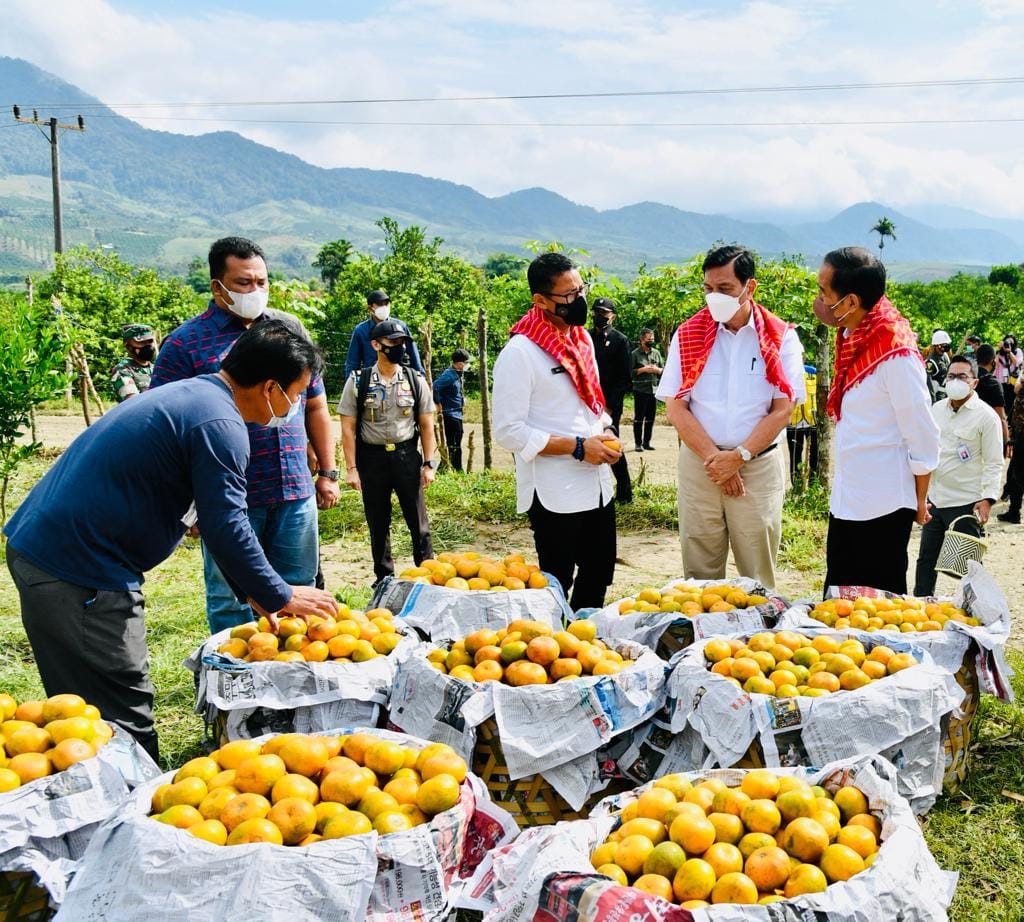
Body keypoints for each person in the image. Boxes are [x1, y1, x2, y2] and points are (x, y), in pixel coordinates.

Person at [4, 322, 339, 762]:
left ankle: (104, 788)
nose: (295, 406)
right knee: (119, 701)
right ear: (271, 387)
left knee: (80, 706)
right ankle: (133, 800)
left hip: (50, 551)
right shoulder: (220, 422)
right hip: (78, 569)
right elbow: (226, 522)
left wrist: (254, 593)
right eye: (295, 394)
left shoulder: (196, 397)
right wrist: (278, 592)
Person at [151, 236, 339, 634]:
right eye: (243, 283)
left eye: (262, 281)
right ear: (217, 286)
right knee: (230, 597)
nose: (255, 291)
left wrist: (327, 471)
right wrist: (187, 503)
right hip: (229, 497)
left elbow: (317, 405)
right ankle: (234, 680)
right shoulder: (185, 344)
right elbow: (165, 431)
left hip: (293, 487)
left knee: (298, 591)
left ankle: (295, 681)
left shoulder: (288, 329)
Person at [657, 245, 804, 588]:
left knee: (756, 571)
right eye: (708, 289)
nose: (714, 297)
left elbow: (783, 409)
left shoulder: (781, 338)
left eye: (724, 289)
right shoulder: (689, 334)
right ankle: (706, 639)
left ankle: (758, 637)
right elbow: (677, 406)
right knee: (699, 569)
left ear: (749, 288)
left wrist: (739, 457)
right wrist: (717, 461)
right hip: (700, 463)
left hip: (757, 465)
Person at [492, 252, 621, 609]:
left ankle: (585, 643)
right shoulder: (520, 353)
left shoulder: (582, 341)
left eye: (581, 290)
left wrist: (605, 432)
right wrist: (578, 447)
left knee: (599, 570)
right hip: (554, 489)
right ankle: (555, 647)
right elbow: (508, 431)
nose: (579, 300)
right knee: (556, 580)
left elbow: (591, 406)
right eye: (568, 295)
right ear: (540, 300)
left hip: (596, 482)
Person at [814, 247, 939, 595]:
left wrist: (920, 498)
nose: (819, 299)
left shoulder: (894, 353)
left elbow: (923, 433)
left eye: (825, 292)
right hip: (848, 499)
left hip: (884, 504)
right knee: (838, 602)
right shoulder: (854, 337)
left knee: (879, 609)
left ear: (851, 301)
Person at [338, 319, 436, 586]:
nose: (398, 347)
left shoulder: (415, 380)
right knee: (378, 522)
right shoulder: (359, 381)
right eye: (392, 342)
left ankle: (428, 574)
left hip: (406, 456)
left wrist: (429, 463)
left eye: (402, 342)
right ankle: (384, 578)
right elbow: (347, 428)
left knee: (418, 522)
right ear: (376, 345)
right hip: (372, 459)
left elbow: (427, 424)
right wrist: (351, 468)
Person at [913, 355, 1003, 595]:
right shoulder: (936, 410)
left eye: (962, 376)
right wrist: (921, 495)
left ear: (974, 382)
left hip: (965, 502)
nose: (955, 381)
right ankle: (920, 610)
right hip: (936, 500)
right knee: (926, 562)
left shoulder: (986, 416)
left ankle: (978, 616)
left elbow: (995, 462)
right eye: (951, 376)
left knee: (968, 568)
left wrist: (988, 499)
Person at [590, 296, 633, 503]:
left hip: (609, 404)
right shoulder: (585, 338)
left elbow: (625, 379)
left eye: (604, 314)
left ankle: (625, 492)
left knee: (612, 445)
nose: (600, 317)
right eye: (597, 313)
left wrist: (609, 407)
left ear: (612, 316)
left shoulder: (620, 340)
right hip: (588, 402)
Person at [344, 289, 423, 380]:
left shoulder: (400, 326)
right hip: (371, 381)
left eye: (386, 304)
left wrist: (420, 379)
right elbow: (352, 363)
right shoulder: (361, 331)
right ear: (370, 308)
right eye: (380, 304)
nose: (384, 307)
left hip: (399, 379)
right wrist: (351, 385)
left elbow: (414, 356)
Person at [433, 348, 470, 472]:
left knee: (456, 443)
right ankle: (457, 469)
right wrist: (438, 403)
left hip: (457, 413)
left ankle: (446, 468)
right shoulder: (449, 375)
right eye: (466, 363)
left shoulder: (457, 374)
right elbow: (435, 386)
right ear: (460, 364)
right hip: (450, 414)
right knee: (454, 444)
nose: (467, 365)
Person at [786, 363, 819, 485]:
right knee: (795, 457)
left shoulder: (814, 375)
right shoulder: (788, 377)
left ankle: (814, 484)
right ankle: (797, 486)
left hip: (812, 422)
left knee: (815, 456)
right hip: (794, 423)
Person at [631, 328, 663, 451]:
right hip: (640, 390)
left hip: (653, 390)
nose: (651, 341)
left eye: (653, 339)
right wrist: (642, 370)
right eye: (649, 339)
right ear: (642, 339)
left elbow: (663, 370)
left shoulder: (656, 353)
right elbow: (630, 372)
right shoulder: (635, 354)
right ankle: (637, 443)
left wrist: (657, 370)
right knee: (639, 418)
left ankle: (647, 442)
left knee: (650, 418)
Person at [109, 323, 157, 402]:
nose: (147, 346)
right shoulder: (122, 370)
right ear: (128, 345)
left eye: (149, 341)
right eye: (141, 342)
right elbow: (133, 401)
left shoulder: (156, 368)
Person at [999, 378, 1024, 524]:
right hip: (1019, 439)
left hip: (1022, 440)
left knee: (1017, 477)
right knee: (1014, 477)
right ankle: (1014, 512)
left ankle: (1014, 512)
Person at [975, 344, 1010, 449]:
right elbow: (1001, 417)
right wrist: (1005, 442)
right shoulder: (993, 384)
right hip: (989, 435)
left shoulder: (969, 379)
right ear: (993, 361)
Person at [995, 334, 1023, 415]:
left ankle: (1010, 419)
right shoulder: (1000, 353)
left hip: (1012, 380)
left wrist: (1009, 352)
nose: (1009, 344)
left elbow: (1017, 363)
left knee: (1011, 400)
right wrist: (999, 350)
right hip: (1001, 380)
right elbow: (994, 364)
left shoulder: (1017, 351)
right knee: (1002, 401)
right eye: (1007, 342)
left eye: (1011, 342)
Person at [924, 330, 952, 403]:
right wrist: (933, 401)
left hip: (947, 395)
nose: (945, 347)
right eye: (943, 345)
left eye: (946, 344)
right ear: (937, 345)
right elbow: (928, 383)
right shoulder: (930, 362)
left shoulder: (945, 356)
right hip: (937, 397)